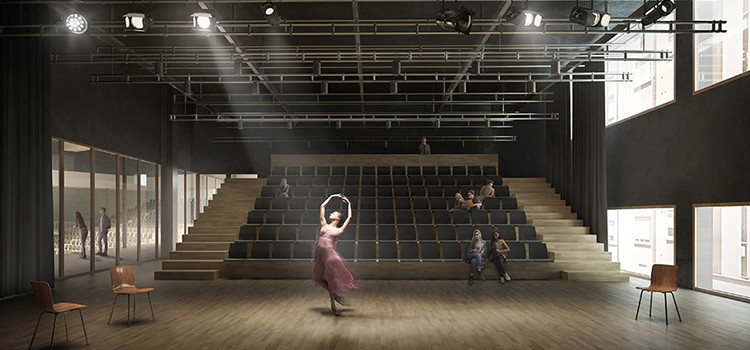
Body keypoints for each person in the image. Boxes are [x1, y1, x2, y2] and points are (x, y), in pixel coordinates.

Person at [313, 193, 358, 316]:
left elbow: (349, 217)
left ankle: (333, 304)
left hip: (330, 257)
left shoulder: (338, 230)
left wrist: (348, 204)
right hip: (319, 254)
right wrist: (332, 196)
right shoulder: (324, 224)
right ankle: (336, 296)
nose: (331, 213)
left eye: (334, 213)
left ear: (338, 218)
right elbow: (322, 206)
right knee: (320, 279)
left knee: (331, 280)